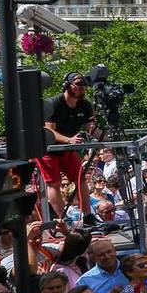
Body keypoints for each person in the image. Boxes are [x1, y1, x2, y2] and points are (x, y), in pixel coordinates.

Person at [38, 73, 97, 227]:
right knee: (54, 183)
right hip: (49, 149)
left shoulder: (85, 105)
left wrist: (97, 133)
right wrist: (69, 140)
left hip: (69, 148)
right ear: (67, 85)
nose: (81, 88)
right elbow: (49, 132)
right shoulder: (54, 103)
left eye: (84, 85)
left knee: (80, 179)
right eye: (78, 84)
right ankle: (63, 220)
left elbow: (90, 126)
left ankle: (88, 215)